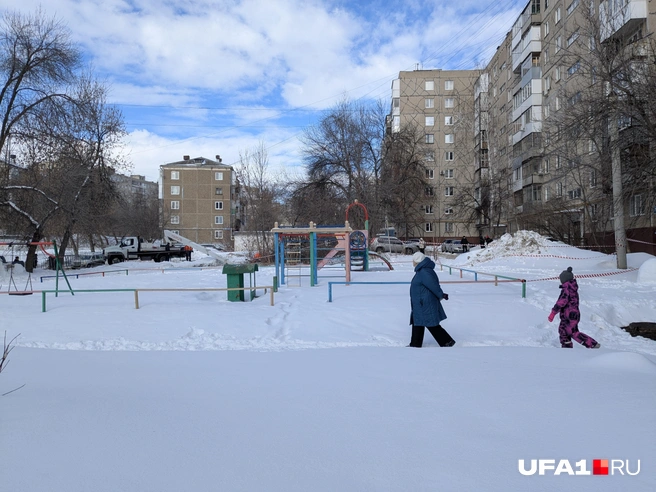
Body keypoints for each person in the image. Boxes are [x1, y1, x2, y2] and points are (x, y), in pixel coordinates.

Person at [408, 252, 455, 347]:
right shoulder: (422, 271)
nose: (412, 262)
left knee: (431, 324)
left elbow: (433, 285)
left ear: (417, 261)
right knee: (418, 323)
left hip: (425, 304)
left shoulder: (424, 272)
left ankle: (447, 342)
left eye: (413, 260)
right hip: (421, 303)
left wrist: (441, 294)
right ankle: (415, 344)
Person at [548, 267, 600, 349]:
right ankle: (567, 347)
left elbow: (561, 302)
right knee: (563, 331)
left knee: (572, 332)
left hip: (570, 316)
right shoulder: (572, 288)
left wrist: (553, 312)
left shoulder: (567, 290)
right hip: (571, 315)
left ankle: (592, 344)